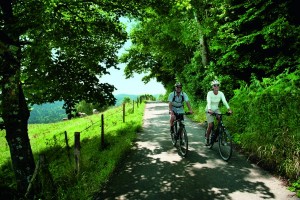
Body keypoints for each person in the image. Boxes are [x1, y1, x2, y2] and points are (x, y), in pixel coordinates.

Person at [205, 80, 232, 146]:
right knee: (210, 125)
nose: (216, 86)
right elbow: (208, 102)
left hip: (216, 109)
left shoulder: (221, 93)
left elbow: (224, 101)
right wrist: (209, 109)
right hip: (209, 109)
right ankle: (207, 138)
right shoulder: (209, 93)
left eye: (218, 85)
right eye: (215, 85)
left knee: (220, 121)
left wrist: (229, 109)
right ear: (212, 87)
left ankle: (217, 135)